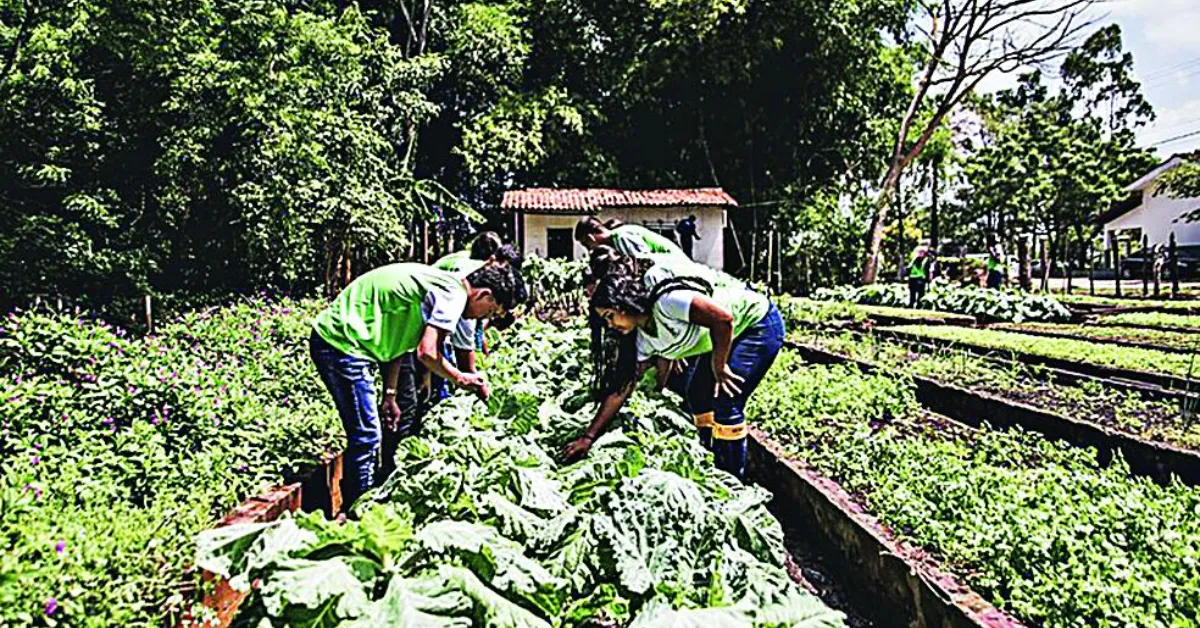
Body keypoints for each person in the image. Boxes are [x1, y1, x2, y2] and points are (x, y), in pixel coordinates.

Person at [309, 262, 525, 508]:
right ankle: (358, 513)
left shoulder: (441, 286)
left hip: (346, 342)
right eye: (489, 312)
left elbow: (398, 344)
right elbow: (427, 353)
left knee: (367, 435)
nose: (484, 318)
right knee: (367, 437)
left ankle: (360, 504)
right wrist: (461, 378)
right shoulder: (453, 295)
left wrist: (389, 394)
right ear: (484, 294)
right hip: (341, 342)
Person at [562, 267, 784, 481]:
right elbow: (622, 389)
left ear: (624, 304)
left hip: (756, 322)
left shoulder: (668, 303)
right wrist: (589, 437)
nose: (610, 325)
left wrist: (720, 366)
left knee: (726, 401)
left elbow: (723, 320)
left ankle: (733, 479)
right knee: (696, 394)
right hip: (719, 338)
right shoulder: (642, 340)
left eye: (610, 316)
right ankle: (712, 459)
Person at [574, 216, 686, 259]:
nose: (589, 249)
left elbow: (644, 263)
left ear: (591, 238)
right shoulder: (617, 238)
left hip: (676, 264)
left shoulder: (622, 237)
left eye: (586, 244)